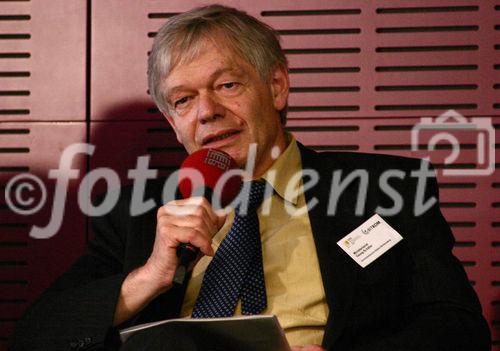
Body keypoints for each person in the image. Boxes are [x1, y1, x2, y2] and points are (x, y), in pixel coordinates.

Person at [10, 4, 490, 351]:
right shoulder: (137, 208)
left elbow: (457, 326)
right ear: (173, 123)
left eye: (227, 85)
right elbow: (36, 337)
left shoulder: (388, 190)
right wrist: (150, 276)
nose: (207, 112)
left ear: (277, 86)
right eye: (183, 100)